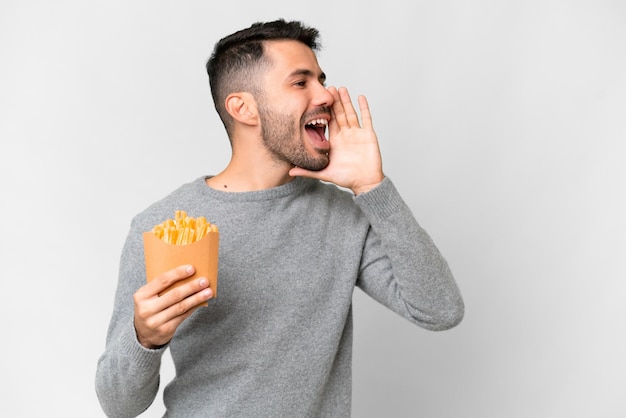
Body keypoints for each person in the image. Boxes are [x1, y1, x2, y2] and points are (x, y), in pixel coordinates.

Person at [95, 19, 464, 417]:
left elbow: (440, 310)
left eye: (321, 79)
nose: (326, 94)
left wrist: (372, 187)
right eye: (301, 82)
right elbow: (119, 407)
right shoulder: (162, 226)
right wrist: (145, 338)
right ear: (244, 108)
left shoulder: (343, 216)